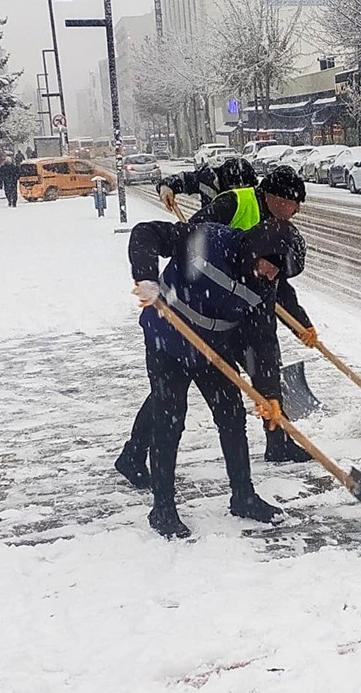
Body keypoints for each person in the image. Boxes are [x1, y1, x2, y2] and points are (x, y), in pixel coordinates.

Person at [115, 165, 314, 487]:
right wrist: (154, 277)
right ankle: (134, 453)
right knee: (169, 394)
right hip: (202, 309)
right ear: (277, 197)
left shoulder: (277, 231)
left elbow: (275, 283)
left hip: (236, 312)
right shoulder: (235, 203)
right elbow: (194, 236)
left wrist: (302, 323)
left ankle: (277, 442)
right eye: (295, 202)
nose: (298, 210)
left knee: (264, 369)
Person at [128, 218, 307, 538]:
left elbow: (262, 342)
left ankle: (243, 496)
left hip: (211, 350)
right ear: (257, 250)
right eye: (271, 266)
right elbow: (146, 233)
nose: (272, 276)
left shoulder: (263, 287)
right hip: (166, 341)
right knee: (169, 419)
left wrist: (269, 394)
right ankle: (163, 508)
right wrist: (145, 276)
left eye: (279, 273)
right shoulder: (206, 239)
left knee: (232, 416)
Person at [156, 156, 256, 212]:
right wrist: (166, 186)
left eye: (245, 187)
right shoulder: (207, 180)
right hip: (211, 236)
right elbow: (185, 179)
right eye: (233, 187)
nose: (239, 191)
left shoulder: (261, 193)